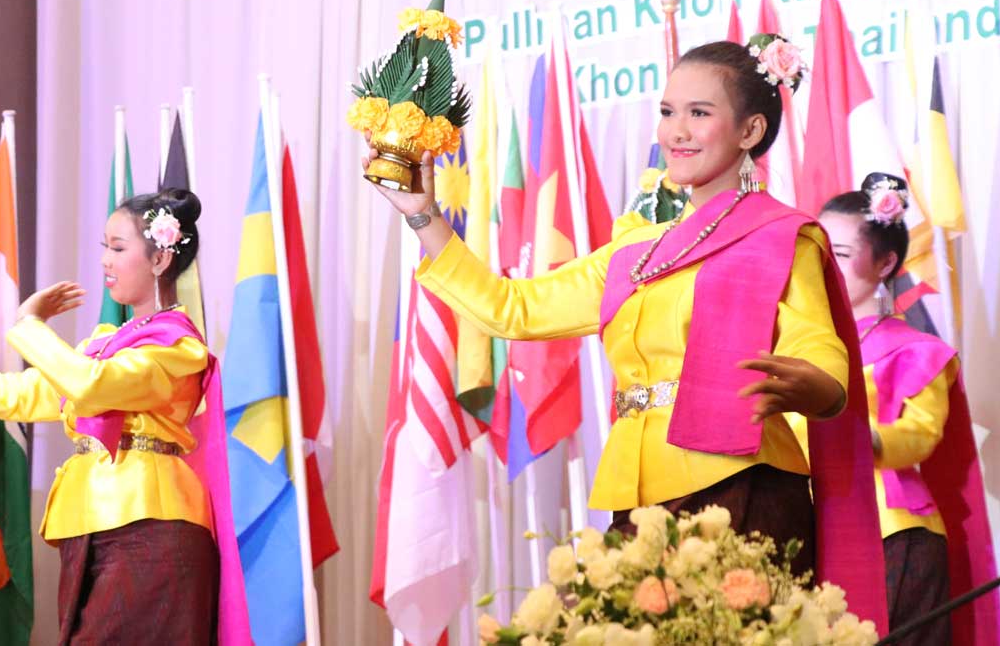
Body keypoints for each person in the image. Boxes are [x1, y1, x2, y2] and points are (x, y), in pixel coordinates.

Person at [367, 39, 888, 627]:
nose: (677, 131)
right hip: (638, 499)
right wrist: (421, 214)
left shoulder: (780, 235)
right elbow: (512, 309)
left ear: (750, 131)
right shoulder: (637, 249)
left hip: (742, 485)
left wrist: (816, 386)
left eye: (699, 113)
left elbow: (820, 350)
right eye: (668, 112)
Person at [0, 190, 249, 646]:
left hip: (151, 527)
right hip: (97, 525)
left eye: (117, 247)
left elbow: (91, 385)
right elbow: (19, 395)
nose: (105, 261)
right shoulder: (108, 342)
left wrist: (29, 324)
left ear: (159, 259)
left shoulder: (176, 345)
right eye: (103, 247)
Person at [818, 174, 1000, 645]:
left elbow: (921, 433)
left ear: (885, 263)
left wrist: (871, 439)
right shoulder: (803, 345)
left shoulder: (915, 350)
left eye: (838, 255)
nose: (822, 267)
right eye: (815, 253)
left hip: (893, 532)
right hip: (814, 527)